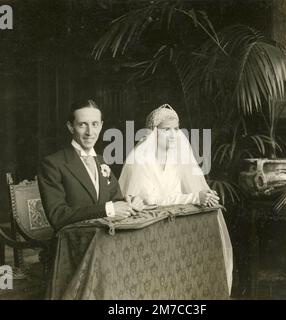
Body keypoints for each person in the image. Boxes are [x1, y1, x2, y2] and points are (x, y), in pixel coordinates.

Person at [119, 104, 233, 294]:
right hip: (147, 225)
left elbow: (193, 184)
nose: (173, 135)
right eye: (165, 130)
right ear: (153, 132)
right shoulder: (139, 158)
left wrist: (206, 195)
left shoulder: (178, 155)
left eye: (176, 129)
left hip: (172, 222)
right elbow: (151, 200)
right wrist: (195, 196)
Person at [38, 99, 140, 231]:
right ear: (70, 127)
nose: (90, 132)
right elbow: (58, 216)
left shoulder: (101, 160)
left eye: (95, 124)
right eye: (82, 125)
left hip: (106, 239)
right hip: (73, 244)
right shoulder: (53, 164)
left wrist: (129, 202)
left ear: (101, 126)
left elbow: (116, 200)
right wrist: (107, 209)